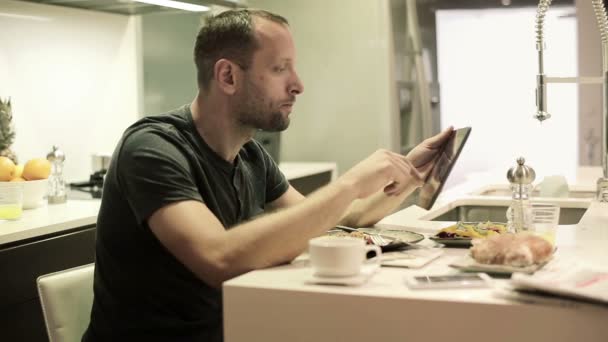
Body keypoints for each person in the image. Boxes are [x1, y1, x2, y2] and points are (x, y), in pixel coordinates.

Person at [82, 8, 453, 342]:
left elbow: (328, 222)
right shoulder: (152, 148)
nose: (298, 84)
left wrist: (409, 175)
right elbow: (218, 259)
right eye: (280, 68)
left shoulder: (250, 154)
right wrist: (349, 183)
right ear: (228, 76)